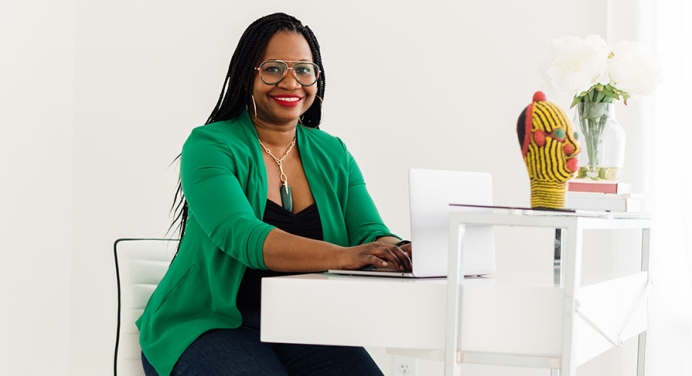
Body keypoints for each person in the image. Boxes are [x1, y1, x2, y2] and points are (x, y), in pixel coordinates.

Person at [136, 12, 413, 376]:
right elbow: (243, 236)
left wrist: (400, 250)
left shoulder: (334, 153)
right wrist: (346, 257)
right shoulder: (209, 146)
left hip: (301, 324)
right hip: (206, 324)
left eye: (303, 69)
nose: (291, 82)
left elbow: (369, 232)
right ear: (247, 74)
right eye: (273, 68)